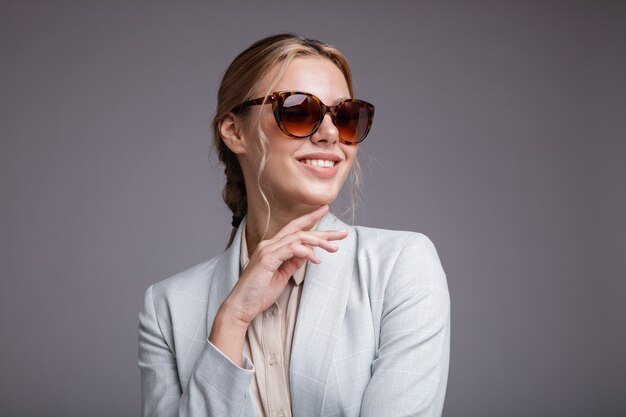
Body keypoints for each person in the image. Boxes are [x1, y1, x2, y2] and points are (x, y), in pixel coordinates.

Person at [138, 33, 450, 417]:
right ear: (235, 131)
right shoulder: (167, 307)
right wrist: (232, 320)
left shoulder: (401, 266)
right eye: (299, 111)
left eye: (347, 116)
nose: (331, 134)